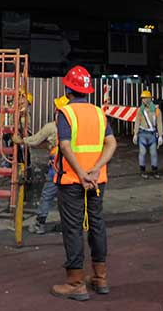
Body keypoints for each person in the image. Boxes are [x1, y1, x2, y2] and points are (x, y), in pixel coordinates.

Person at [51, 65, 117, 301]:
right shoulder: (99, 113)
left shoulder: (65, 113)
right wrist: (96, 169)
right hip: (97, 180)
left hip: (72, 181)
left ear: (68, 88)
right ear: (87, 90)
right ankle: (100, 278)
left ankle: (76, 283)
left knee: (73, 229)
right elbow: (112, 143)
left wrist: (81, 173)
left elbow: (65, 146)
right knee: (97, 225)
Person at [13, 95, 69, 235]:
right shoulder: (74, 126)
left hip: (56, 167)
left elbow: (36, 139)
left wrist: (21, 141)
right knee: (67, 195)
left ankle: (40, 223)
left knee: (47, 194)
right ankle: (68, 224)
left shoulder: (51, 127)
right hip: (72, 166)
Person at [132, 90, 163, 179]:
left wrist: (160, 135)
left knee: (153, 153)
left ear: (150, 98)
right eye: (143, 98)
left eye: (146, 98)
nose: (144, 100)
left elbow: (159, 123)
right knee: (142, 153)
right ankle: (142, 171)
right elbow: (137, 122)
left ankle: (155, 171)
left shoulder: (157, 110)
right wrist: (135, 133)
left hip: (152, 134)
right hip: (142, 134)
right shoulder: (140, 110)